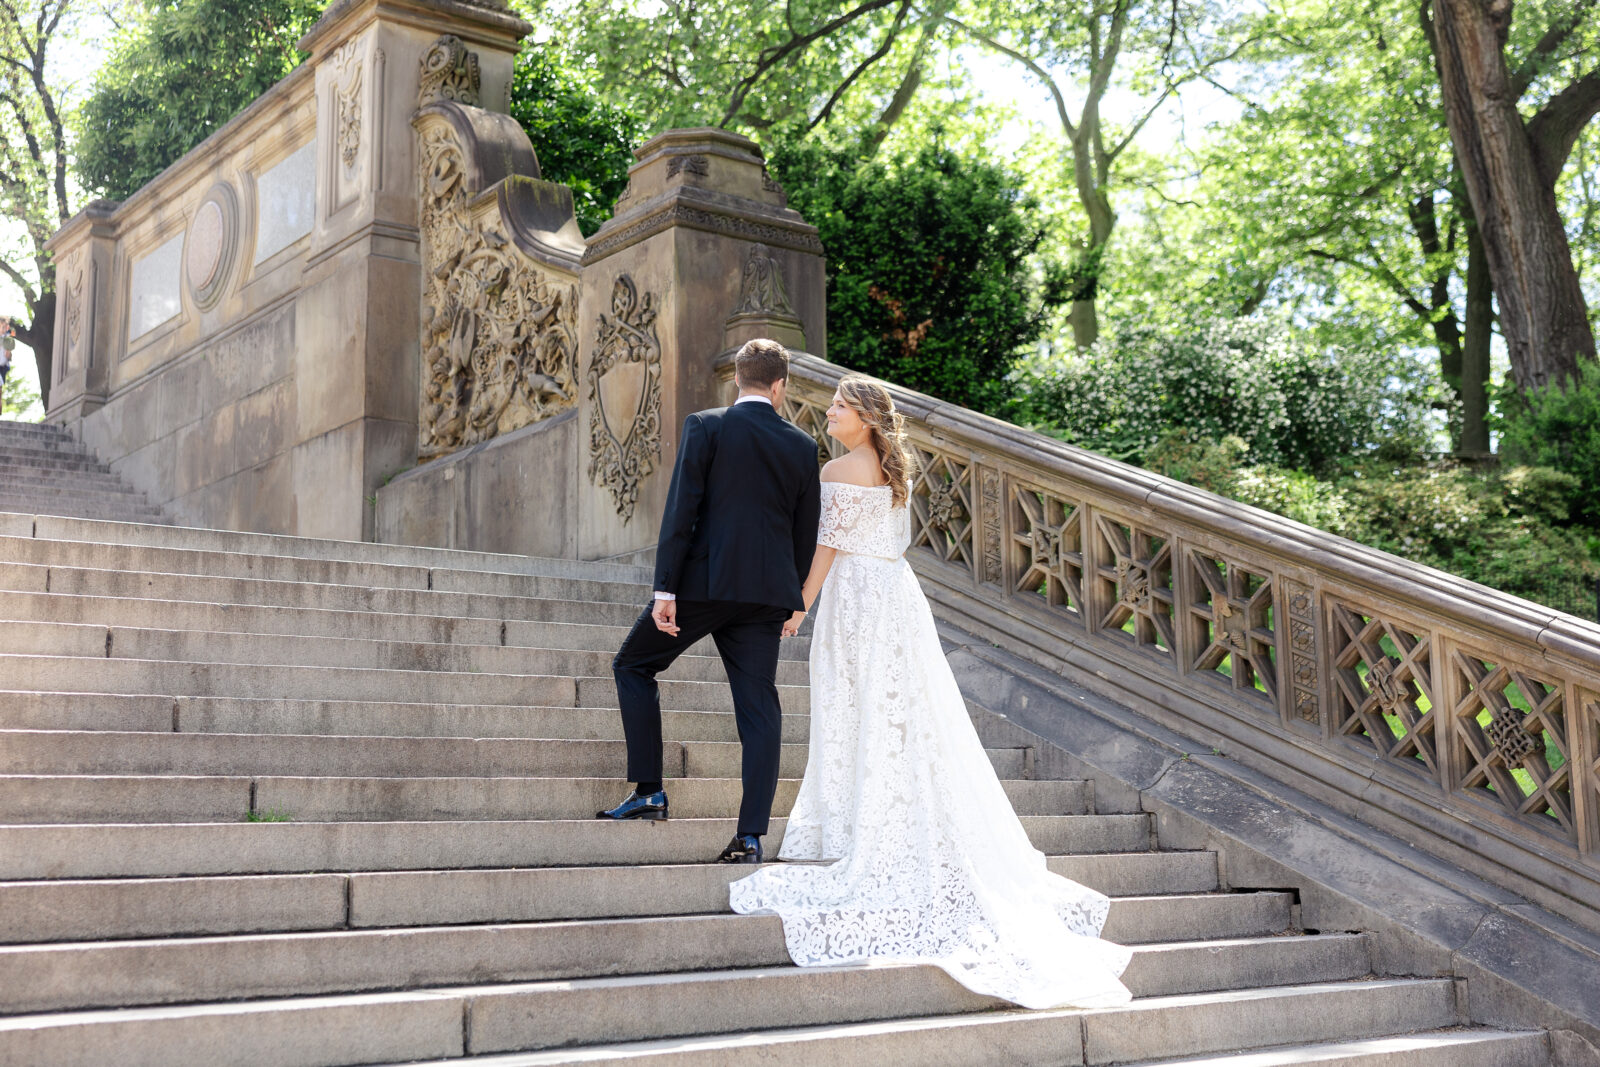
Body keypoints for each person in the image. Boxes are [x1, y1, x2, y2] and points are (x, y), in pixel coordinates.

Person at [729, 375, 1133, 1009]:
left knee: (861, 712)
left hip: (858, 602)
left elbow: (829, 548)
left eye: (839, 406)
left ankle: (861, 825)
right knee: (899, 715)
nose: (828, 412)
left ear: (864, 418)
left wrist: (797, 609)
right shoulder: (894, 473)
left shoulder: (838, 472)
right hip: (897, 597)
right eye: (831, 404)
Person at [597, 338, 822, 865]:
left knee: (633, 665)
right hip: (767, 597)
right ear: (780, 386)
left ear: (736, 380)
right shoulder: (802, 446)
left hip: (704, 587)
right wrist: (793, 602)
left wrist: (665, 591)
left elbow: (682, 511)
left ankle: (650, 791)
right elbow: (804, 532)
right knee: (759, 708)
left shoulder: (706, 425)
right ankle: (749, 837)